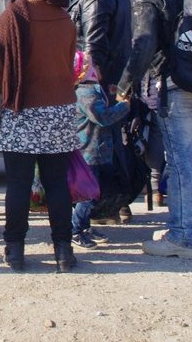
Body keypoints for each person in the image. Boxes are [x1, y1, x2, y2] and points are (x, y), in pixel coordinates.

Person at [0, 0, 78, 272]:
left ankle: (15, 249)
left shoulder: (9, 20)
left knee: (18, 185)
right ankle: (63, 250)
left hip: (20, 112)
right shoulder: (66, 21)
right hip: (60, 113)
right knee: (57, 184)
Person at [115, 0, 192, 259]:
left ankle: (182, 238)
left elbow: (143, 44)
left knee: (179, 163)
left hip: (173, 86)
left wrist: (125, 85)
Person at [65, 0, 132, 224]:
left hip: (95, 79)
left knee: (91, 149)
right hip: (112, 76)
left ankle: (99, 206)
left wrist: (87, 76)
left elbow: (93, 39)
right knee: (110, 143)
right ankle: (115, 203)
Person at [71, 52, 130, 249]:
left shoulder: (88, 90)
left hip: (93, 150)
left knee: (92, 192)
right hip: (89, 151)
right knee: (89, 195)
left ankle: (85, 227)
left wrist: (112, 96)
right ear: (87, 70)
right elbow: (101, 117)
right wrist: (124, 106)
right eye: (94, 65)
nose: (99, 68)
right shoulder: (86, 92)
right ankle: (75, 230)